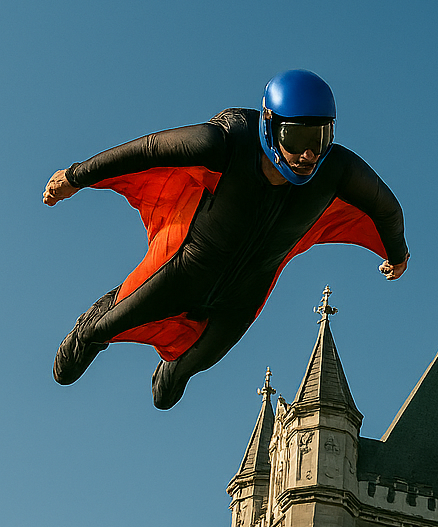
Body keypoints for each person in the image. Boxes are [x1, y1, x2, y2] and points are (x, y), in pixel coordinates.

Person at [45, 69, 409, 409]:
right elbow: (148, 150)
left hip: (244, 294)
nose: (308, 154)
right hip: (183, 269)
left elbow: (387, 210)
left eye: (319, 138)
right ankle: (90, 326)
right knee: (104, 329)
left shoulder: (337, 171)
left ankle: (176, 367)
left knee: (177, 382)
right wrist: (75, 176)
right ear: (270, 126)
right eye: (296, 138)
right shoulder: (228, 140)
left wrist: (398, 254)